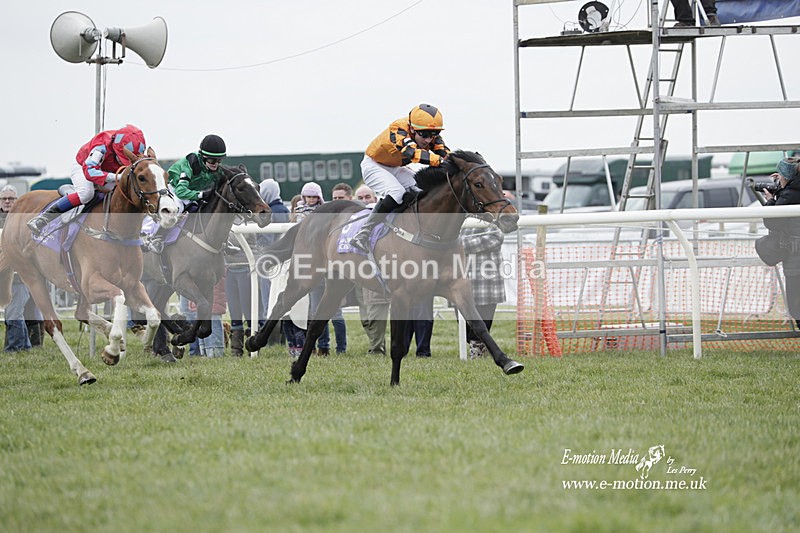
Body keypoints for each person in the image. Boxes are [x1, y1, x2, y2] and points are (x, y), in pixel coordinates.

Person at [349, 103, 450, 253]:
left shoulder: (429, 135)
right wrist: (441, 162)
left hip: (395, 167)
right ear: (413, 129)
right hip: (374, 165)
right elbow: (412, 153)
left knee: (421, 190)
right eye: (425, 135)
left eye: (433, 134)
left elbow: (445, 154)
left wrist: (459, 163)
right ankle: (363, 233)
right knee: (397, 193)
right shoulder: (398, 129)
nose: (429, 140)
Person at [28, 124, 147, 235]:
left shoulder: (137, 150)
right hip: (83, 167)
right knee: (86, 194)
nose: (123, 162)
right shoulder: (101, 147)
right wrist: (117, 177)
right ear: (116, 148)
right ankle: (44, 218)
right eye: (122, 158)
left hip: (108, 170)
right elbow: (90, 172)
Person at [143, 134, 227, 253]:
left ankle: (224, 242)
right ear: (202, 157)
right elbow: (181, 192)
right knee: (175, 208)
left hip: (191, 193)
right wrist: (202, 195)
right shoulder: (190, 165)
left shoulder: (215, 168)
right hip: (174, 191)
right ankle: (154, 238)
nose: (216, 164)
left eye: (219, 160)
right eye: (212, 160)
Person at [1, 185, 44, 351]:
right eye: (3, 198)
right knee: (21, 310)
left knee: (19, 311)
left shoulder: (24, 219)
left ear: (16, 200)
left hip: (23, 272)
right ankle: (28, 345)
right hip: (9, 273)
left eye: (11, 198)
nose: (7, 201)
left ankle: (17, 346)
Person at [760, 157, 800, 327]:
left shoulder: (790, 194)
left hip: (796, 258)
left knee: (796, 306)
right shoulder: (790, 191)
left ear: (786, 177)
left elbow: (772, 222)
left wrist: (770, 200)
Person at [353, 185, 390, 354]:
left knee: (376, 311)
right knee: (365, 317)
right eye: (360, 198)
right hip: (357, 272)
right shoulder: (352, 219)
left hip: (379, 271)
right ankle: (376, 345)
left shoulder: (383, 217)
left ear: (375, 199)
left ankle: (377, 348)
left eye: (367, 197)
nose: (364, 201)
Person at [460, 224, 506, 359]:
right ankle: (475, 345)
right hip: (463, 278)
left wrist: (460, 244)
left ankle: (478, 348)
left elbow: (495, 238)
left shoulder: (491, 222)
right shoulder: (462, 222)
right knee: (463, 319)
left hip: (487, 283)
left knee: (484, 316)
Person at [257, 179, 289, 347]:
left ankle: (270, 340)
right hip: (282, 261)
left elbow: (267, 240)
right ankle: (280, 339)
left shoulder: (271, 211)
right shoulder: (283, 209)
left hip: (269, 261)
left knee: (267, 301)